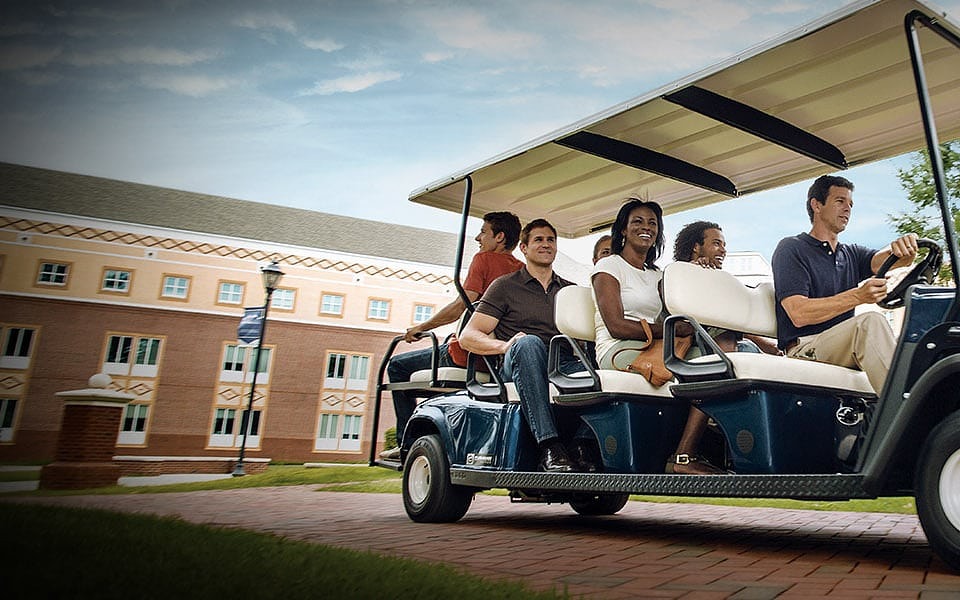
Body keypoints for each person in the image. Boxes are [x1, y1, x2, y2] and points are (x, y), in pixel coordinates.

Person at [592, 199, 718, 474]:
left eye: (652, 223)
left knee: (716, 367)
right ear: (623, 230)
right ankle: (684, 458)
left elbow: (678, 307)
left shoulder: (658, 275)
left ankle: (686, 453)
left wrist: (697, 272)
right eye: (637, 221)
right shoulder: (608, 267)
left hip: (657, 345)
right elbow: (616, 326)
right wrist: (671, 330)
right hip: (617, 347)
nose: (646, 227)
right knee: (695, 369)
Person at [382, 211, 523, 459]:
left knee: (395, 366)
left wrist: (421, 327)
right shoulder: (522, 270)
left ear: (499, 237)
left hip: (467, 354)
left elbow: (462, 305)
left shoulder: (484, 260)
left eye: (483, 232)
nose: (478, 238)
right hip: (497, 359)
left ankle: (406, 443)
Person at [459, 219, 586, 472]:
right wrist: (504, 347)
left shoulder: (570, 291)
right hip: (518, 360)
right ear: (524, 248)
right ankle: (550, 445)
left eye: (551, 240)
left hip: (561, 363)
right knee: (529, 343)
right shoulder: (505, 286)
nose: (546, 244)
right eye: (538, 239)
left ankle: (584, 443)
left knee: (595, 373)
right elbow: (468, 336)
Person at [772, 174, 918, 394]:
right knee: (869, 323)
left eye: (850, 204)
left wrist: (905, 251)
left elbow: (886, 260)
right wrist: (858, 296)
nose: (847, 209)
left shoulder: (850, 253)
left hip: (842, 347)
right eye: (839, 201)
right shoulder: (791, 248)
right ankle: (910, 415)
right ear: (816, 205)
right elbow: (798, 313)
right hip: (805, 348)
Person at [673, 221, 781, 355]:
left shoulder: (720, 280)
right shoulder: (676, 276)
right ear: (696, 247)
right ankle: (728, 367)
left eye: (724, 245)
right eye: (716, 243)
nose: (723, 250)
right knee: (722, 316)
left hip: (719, 335)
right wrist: (691, 271)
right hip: (689, 334)